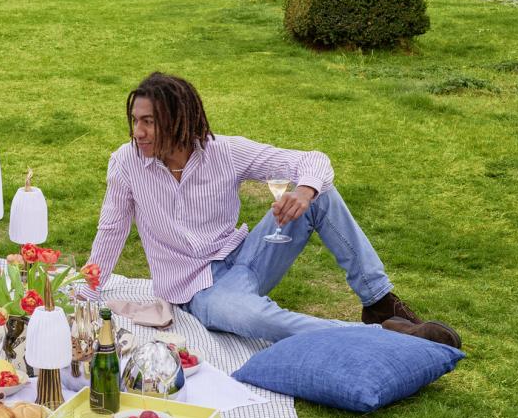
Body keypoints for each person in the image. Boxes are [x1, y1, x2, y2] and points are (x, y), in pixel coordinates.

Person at [83, 72, 460, 348]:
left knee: (321, 193)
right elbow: (112, 230)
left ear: (176, 119)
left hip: (248, 256)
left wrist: (305, 191)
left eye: (148, 122)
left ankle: (379, 301)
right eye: (135, 120)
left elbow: (314, 160)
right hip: (198, 289)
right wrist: (86, 291)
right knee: (253, 318)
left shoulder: (224, 152)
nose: (138, 132)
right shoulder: (126, 162)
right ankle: (385, 336)